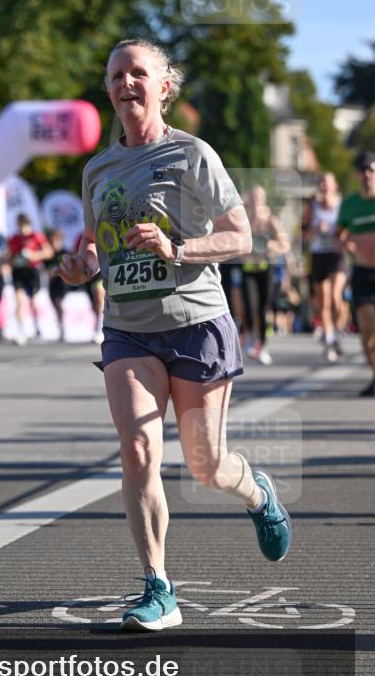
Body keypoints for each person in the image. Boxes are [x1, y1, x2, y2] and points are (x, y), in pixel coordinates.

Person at [55, 39, 292, 632]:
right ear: (107, 89)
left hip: (195, 323)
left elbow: (240, 237)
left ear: (164, 86)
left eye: (139, 73)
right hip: (128, 330)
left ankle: (257, 492)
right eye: (115, 75)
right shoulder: (98, 169)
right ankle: (158, 587)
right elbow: (93, 244)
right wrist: (82, 265)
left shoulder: (191, 155)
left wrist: (177, 248)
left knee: (205, 465)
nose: (125, 83)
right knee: (137, 452)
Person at [338, 151, 375, 397]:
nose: (367, 175)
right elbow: (338, 234)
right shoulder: (350, 204)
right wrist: (347, 245)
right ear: (356, 174)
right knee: (367, 329)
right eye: (362, 171)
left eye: (371, 170)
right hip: (362, 272)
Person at [241, 185, 290, 366]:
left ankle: (262, 345)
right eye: (253, 196)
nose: (255, 200)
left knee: (263, 308)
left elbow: (285, 244)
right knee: (248, 306)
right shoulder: (243, 219)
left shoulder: (270, 220)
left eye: (259, 196)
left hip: (265, 268)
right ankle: (252, 337)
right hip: (248, 269)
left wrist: (271, 246)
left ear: (264, 199)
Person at [302, 172, 348, 362]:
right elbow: (303, 232)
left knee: (337, 297)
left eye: (327, 183)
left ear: (335, 185)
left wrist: (341, 236)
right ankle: (329, 338)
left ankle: (338, 330)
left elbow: (348, 227)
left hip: (337, 255)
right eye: (321, 183)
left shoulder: (341, 205)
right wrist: (314, 230)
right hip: (318, 254)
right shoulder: (312, 206)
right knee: (324, 301)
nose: (324, 186)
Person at [7, 213, 53, 345]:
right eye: (20, 226)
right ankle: (21, 331)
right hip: (18, 271)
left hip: (32, 271)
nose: (22, 229)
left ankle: (38, 327)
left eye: (24, 226)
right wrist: (13, 260)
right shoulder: (14, 239)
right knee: (20, 301)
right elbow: (8, 257)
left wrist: (34, 255)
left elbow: (49, 252)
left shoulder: (36, 236)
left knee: (33, 301)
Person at [45, 228, 69, 339]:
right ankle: (59, 325)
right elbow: (44, 268)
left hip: (62, 282)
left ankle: (63, 326)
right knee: (54, 304)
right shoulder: (49, 254)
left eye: (56, 240)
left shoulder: (64, 253)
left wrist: (57, 273)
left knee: (59, 303)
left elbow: (67, 268)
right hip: (52, 283)